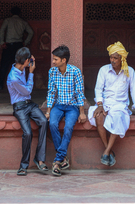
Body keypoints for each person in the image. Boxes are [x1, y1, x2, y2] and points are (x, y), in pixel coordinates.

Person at [88, 41, 135, 167]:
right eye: (111, 57)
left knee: (118, 117)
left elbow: (134, 90)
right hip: (105, 103)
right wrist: (100, 104)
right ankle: (109, 151)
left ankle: (106, 152)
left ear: (122, 58)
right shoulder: (103, 70)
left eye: (115, 57)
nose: (112, 60)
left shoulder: (130, 71)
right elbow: (98, 89)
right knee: (98, 117)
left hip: (120, 104)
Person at [45, 45, 87, 176]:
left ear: (64, 60)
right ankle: (62, 158)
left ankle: (58, 160)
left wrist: (81, 112)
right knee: (52, 124)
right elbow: (51, 92)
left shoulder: (75, 72)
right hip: (58, 105)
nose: (53, 62)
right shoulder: (52, 72)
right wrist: (48, 111)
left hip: (72, 106)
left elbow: (80, 93)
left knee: (68, 127)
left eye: (55, 59)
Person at [7, 47, 48, 176]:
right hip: (19, 108)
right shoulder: (13, 77)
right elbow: (27, 91)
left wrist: (30, 60)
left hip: (29, 104)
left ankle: (39, 159)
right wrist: (31, 73)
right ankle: (23, 165)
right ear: (25, 61)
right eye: (28, 60)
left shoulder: (20, 67)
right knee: (28, 133)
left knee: (43, 121)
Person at [0, 6, 34, 89]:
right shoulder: (23, 22)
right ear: (19, 13)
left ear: (11, 13)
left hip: (8, 46)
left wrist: (2, 42)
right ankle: (20, 85)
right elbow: (31, 32)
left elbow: (2, 31)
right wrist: (25, 42)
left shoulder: (7, 20)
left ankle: (0, 85)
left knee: (4, 65)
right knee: (20, 65)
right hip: (19, 46)